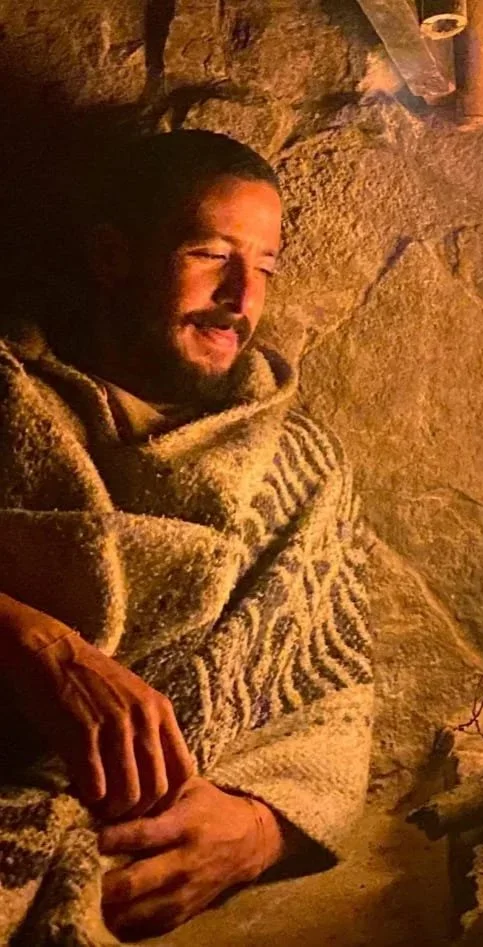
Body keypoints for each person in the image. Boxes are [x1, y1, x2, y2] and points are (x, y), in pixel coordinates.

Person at [0, 130, 373, 944]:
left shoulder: (298, 464)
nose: (242, 296)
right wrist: (29, 638)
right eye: (211, 254)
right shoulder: (11, 403)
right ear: (112, 256)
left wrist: (259, 831)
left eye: (266, 268)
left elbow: (334, 696)